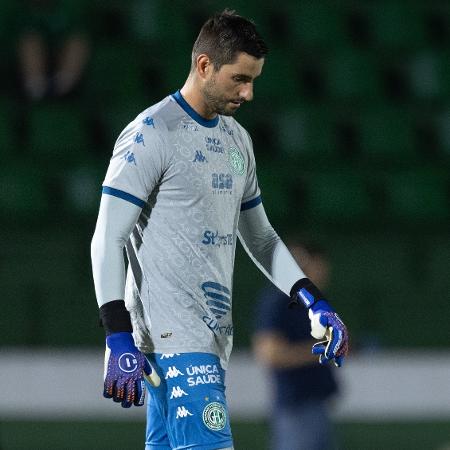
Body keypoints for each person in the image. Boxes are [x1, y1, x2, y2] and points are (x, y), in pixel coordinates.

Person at [91, 10, 348, 450]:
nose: (248, 93)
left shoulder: (237, 141)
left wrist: (313, 301)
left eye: (254, 80)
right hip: (173, 340)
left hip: (210, 339)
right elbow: (107, 237)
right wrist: (116, 333)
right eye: (239, 79)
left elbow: (262, 237)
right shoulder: (150, 133)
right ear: (205, 65)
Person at [253, 242, 340, 450]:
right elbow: (270, 354)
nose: (325, 271)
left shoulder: (315, 302)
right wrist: (323, 347)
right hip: (296, 408)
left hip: (318, 404)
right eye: (320, 265)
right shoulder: (278, 301)